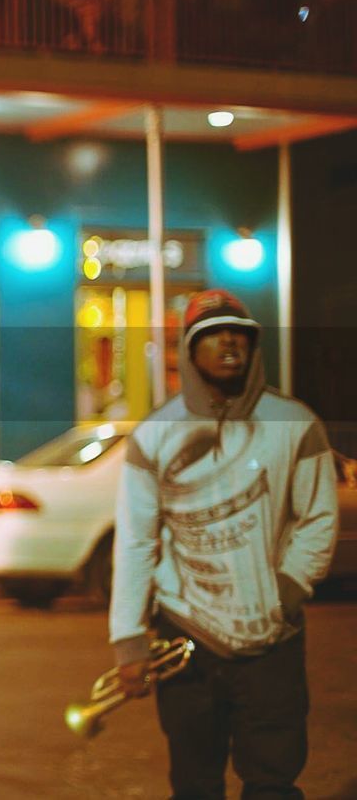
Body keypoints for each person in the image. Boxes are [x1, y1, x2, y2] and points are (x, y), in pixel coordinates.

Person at [111, 289, 338, 799]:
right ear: (190, 351)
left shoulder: (294, 423)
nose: (229, 341)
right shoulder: (155, 436)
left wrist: (288, 588)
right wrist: (128, 639)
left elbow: (319, 517)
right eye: (211, 334)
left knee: (273, 781)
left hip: (272, 642)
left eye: (240, 331)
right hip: (186, 638)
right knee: (194, 784)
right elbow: (135, 543)